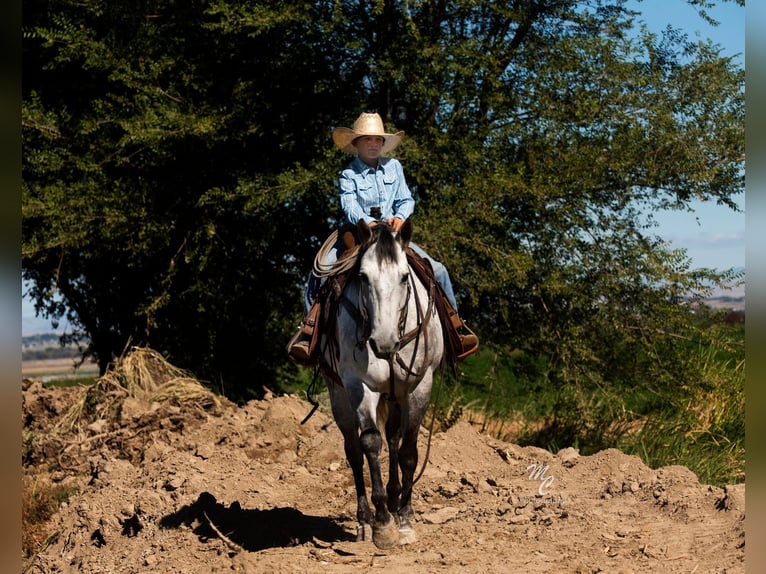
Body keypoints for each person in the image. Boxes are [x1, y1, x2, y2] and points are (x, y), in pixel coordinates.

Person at [288, 112, 478, 364]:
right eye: (367, 139)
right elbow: (349, 206)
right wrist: (367, 222)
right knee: (320, 271)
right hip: (356, 235)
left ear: (383, 143)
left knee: (439, 270)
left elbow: (406, 198)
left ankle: (455, 328)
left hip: (391, 237)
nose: (373, 144)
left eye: (378, 139)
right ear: (356, 144)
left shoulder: (394, 167)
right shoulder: (348, 174)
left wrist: (400, 216)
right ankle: (309, 331)